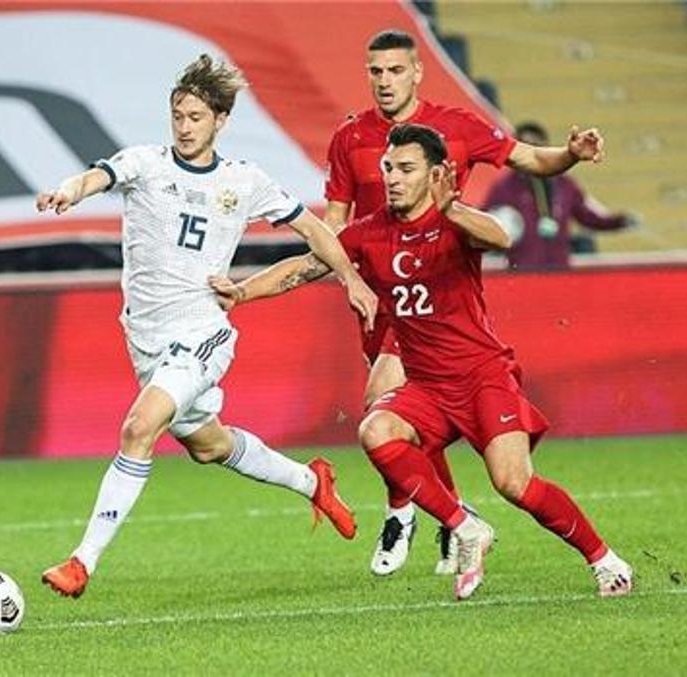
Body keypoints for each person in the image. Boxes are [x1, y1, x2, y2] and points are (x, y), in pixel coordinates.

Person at [229, 29, 608, 578]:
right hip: (380, 282)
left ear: (416, 72)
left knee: (383, 404)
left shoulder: (457, 128)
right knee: (388, 423)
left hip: (440, 287)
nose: (385, 81)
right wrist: (329, 276)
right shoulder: (351, 137)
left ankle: (404, 512)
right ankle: (455, 522)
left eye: (395, 70)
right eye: (375, 71)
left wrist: (569, 155)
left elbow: (526, 163)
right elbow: (331, 232)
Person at [34, 54, 379, 599]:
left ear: (220, 120)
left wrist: (351, 281)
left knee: (138, 428)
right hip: (145, 339)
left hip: (202, 331)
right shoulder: (146, 164)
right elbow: (97, 177)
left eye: (195, 117)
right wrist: (68, 191)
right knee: (209, 446)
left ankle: (81, 563)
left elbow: (314, 230)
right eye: (177, 116)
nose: (184, 127)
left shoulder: (244, 180)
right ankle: (312, 480)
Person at [483, 121, 638, 270]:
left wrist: (618, 221)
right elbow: (485, 221)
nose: (531, 154)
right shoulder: (505, 187)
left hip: (559, 269)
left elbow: (588, 217)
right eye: (526, 146)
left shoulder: (565, 185)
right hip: (522, 271)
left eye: (537, 146)